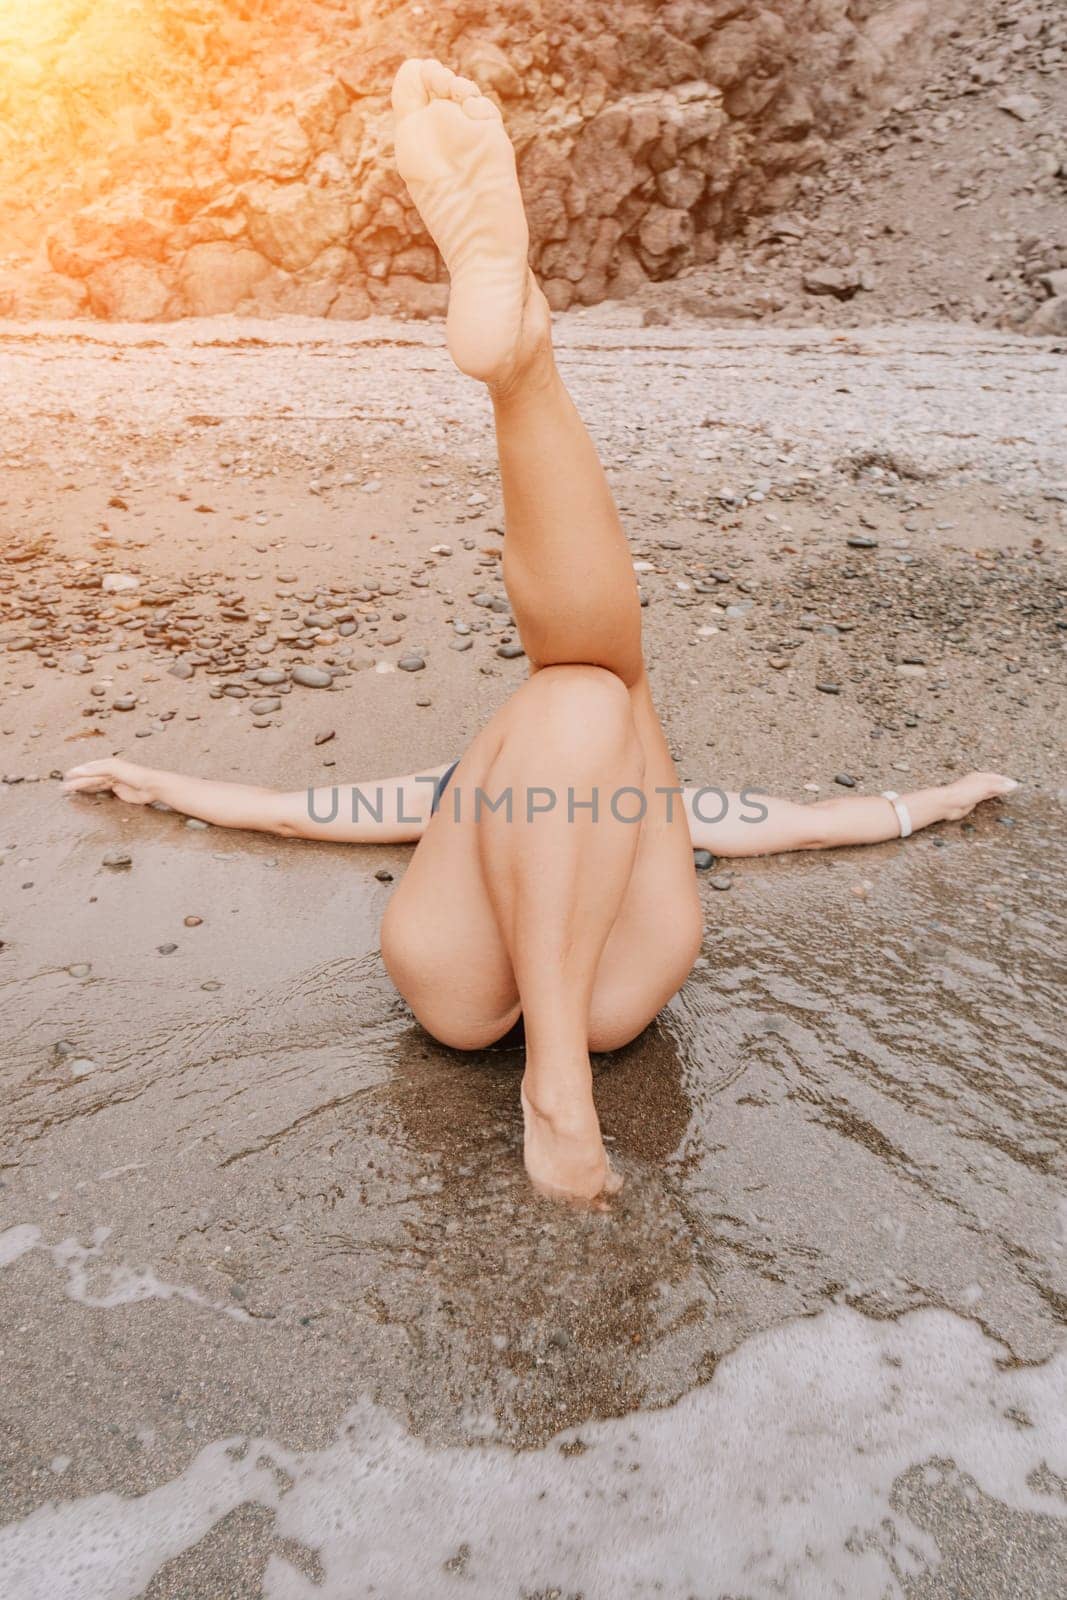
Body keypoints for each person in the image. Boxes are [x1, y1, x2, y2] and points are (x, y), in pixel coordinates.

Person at [62, 59, 1018, 1204]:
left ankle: (521, 370)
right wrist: (931, 800)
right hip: (613, 997)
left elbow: (288, 811)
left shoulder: (441, 789)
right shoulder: (673, 807)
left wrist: (159, 782)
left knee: (582, 689)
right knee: (600, 693)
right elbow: (813, 826)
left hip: (456, 989)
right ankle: (523, 367)